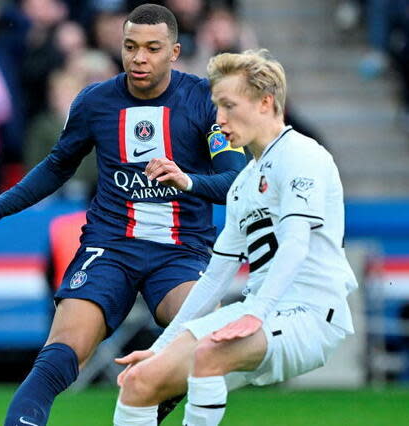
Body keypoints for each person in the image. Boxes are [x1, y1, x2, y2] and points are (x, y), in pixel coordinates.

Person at [0, 5, 247, 425]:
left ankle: (151, 402)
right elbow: (56, 165)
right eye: (130, 47)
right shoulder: (95, 102)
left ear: (175, 52)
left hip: (181, 251)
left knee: (202, 342)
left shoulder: (205, 100)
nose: (139, 57)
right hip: (111, 247)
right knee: (59, 355)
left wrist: (188, 181)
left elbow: (237, 180)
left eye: (152, 48)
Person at [112, 49, 357, 426]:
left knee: (210, 353)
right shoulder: (243, 181)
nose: (219, 120)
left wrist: (257, 311)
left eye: (228, 106)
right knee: (140, 380)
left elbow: (295, 244)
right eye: (216, 108)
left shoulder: (302, 155)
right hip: (260, 309)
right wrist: (159, 348)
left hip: (309, 313)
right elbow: (215, 276)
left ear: (265, 102)